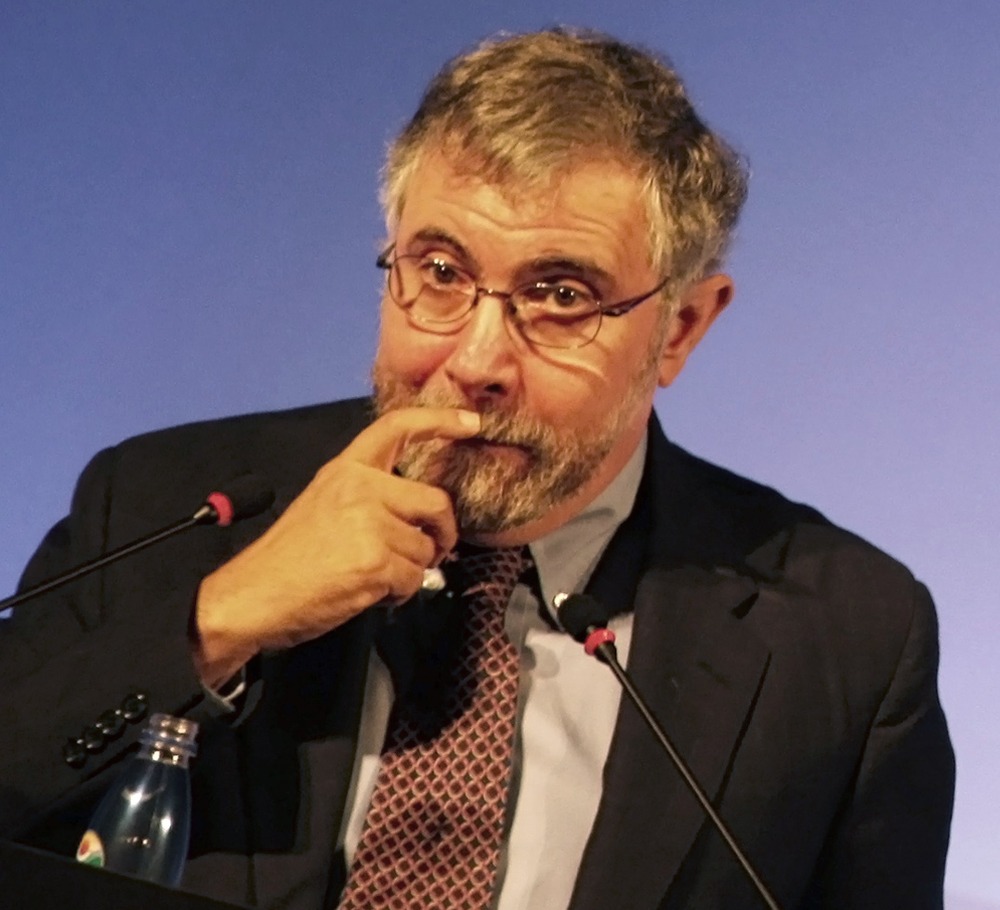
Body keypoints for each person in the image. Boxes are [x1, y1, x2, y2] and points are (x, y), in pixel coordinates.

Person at [0, 27, 953, 910]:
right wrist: (218, 622)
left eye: (561, 295)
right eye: (442, 273)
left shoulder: (846, 638)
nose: (477, 360)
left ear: (682, 328)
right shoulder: (158, 507)